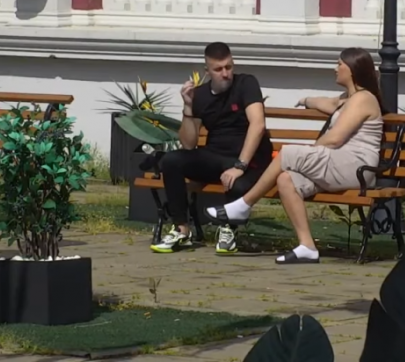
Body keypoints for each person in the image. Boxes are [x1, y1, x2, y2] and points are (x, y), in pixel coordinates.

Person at [205, 47, 384, 264]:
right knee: (286, 179)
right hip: (339, 165)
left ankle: (244, 205)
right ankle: (307, 246)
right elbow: (328, 104)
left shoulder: (364, 98)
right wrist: (306, 100)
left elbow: (335, 138)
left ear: (353, 69)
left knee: (289, 153)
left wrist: (310, 152)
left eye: (339, 64)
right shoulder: (348, 99)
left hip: (357, 168)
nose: (335, 69)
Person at [151, 42, 273, 254]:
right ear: (207, 71)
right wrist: (188, 106)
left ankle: (229, 230)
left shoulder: (246, 83)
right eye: (218, 69)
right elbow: (189, 144)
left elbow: (258, 125)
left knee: (237, 183)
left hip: (249, 158)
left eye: (228, 67)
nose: (225, 74)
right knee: (171, 161)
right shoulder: (200, 95)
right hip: (215, 155)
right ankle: (181, 230)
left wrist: (240, 165)